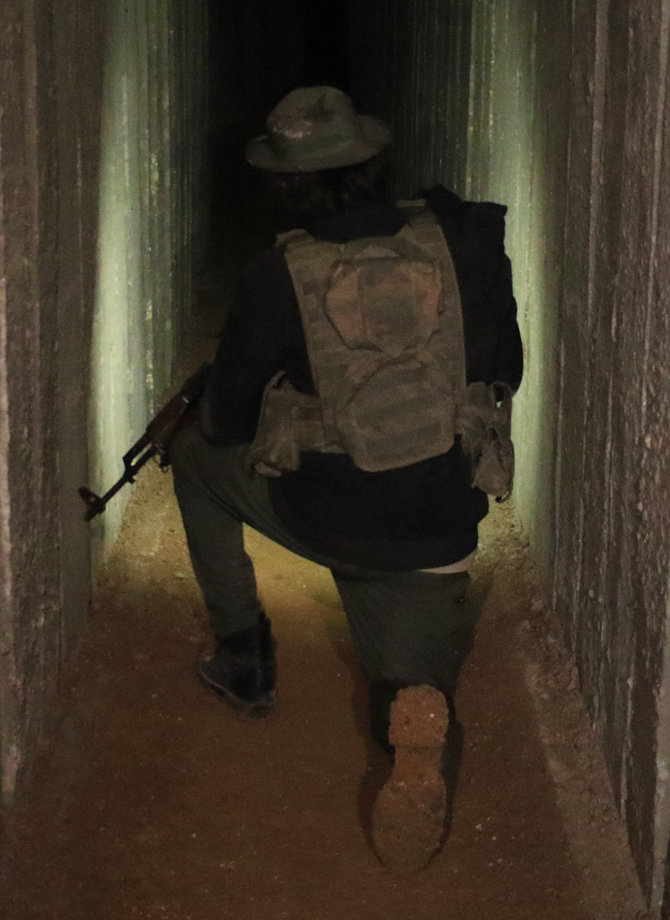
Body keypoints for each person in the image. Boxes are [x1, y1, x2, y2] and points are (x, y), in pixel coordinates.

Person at [167, 85, 523, 870]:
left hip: (325, 513)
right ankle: (413, 710)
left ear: (281, 182)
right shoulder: (463, 245)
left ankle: (242, 656)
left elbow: (226, 422)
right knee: (407, 682)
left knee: (193, 459)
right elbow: (507, 371)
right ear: (373, 161)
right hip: (439, 530)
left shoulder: (278, 272)